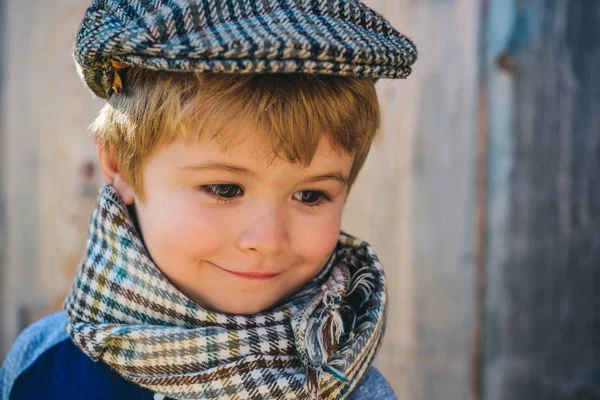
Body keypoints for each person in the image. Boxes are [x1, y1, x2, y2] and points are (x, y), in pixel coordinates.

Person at [0, 0, 417, 399]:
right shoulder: (40, 365)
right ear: (120, 164)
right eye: (224, 189)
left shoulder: (353, 390)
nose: (268, 240)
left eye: (310, 195)